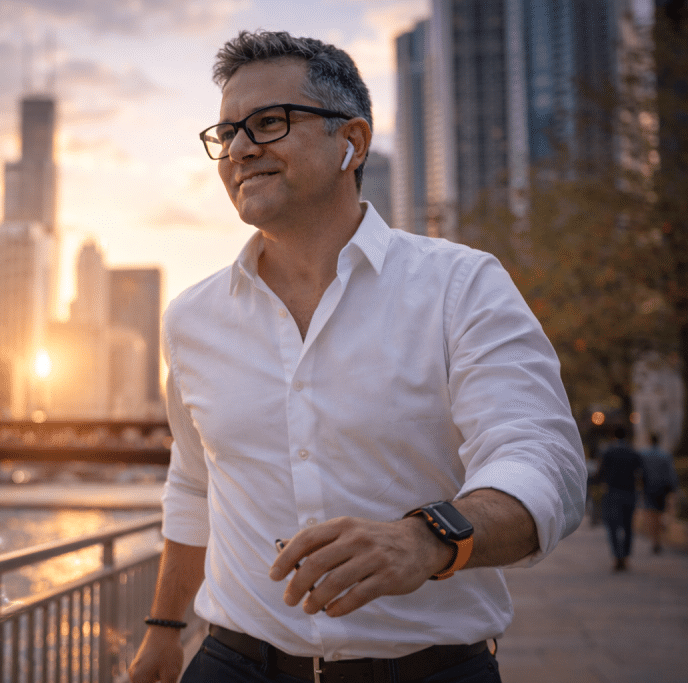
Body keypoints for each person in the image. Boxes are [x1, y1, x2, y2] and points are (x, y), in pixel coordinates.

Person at [128, 30, 587, 683]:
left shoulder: (462, 286)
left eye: (268, 123)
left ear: (354, 141)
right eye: (226, 133)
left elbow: (548, 464)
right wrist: (165, 630)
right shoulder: (193, 319)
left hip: (428, 669)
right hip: (233, 661)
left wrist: (427, 539)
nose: (238, 149)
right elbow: (194, 482)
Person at [596, 426, 642, 571]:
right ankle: (626, 556)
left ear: (613, 435)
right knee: (628, 526)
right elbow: (640, 472)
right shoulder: (633, 452)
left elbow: (600, 472)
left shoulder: (608, 451)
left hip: (612, 492)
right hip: (629, 492)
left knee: (613, 526)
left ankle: (617, 556)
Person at [639, 433, 678, 554]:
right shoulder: (665, 454)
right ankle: (658, 540)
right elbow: (671, 473)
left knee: (651, 515)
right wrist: (673, 488)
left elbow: (640, 472)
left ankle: (655, 541)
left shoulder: (644, 454)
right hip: (662, 488)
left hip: (649, 488)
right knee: (660, 514)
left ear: (650, 440)